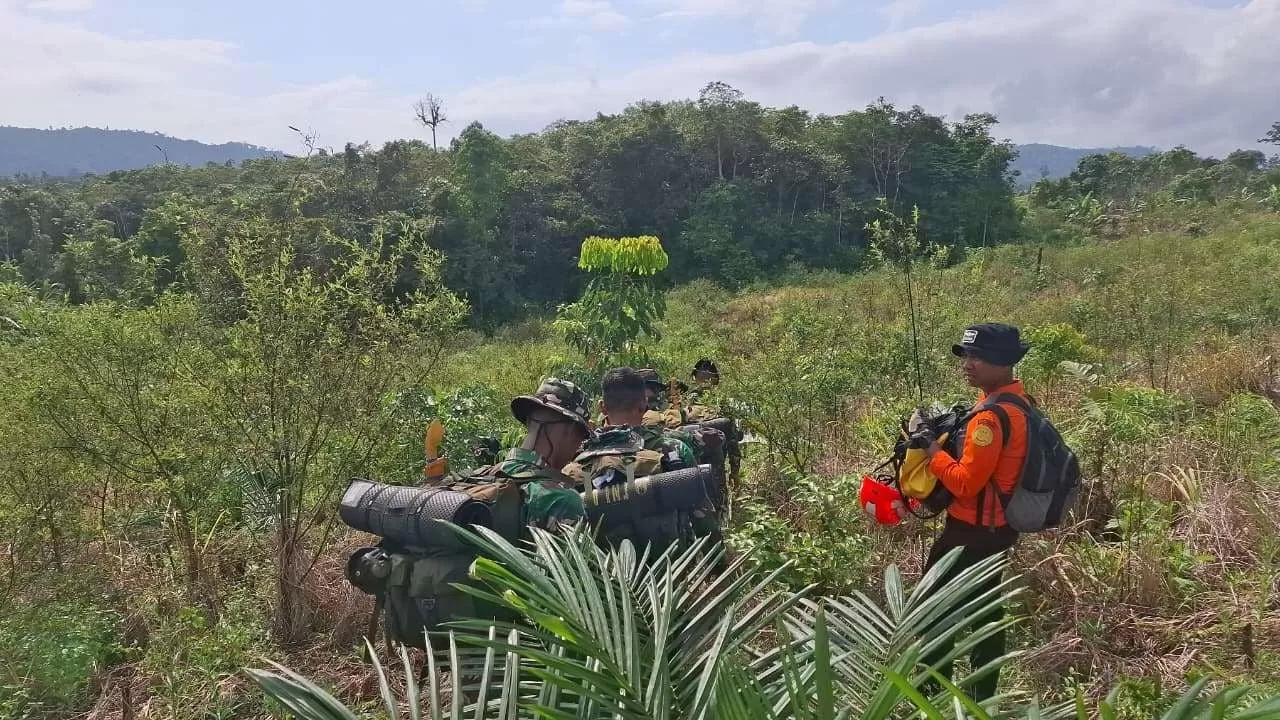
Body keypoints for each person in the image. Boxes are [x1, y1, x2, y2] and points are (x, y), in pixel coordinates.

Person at [909, 323, 1032, 701]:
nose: (968, 363)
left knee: (933, 612)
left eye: (978, 357)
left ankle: (930, 695)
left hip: (972, 533)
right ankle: (982, 697)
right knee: (984, 610)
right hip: (997, 528)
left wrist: (930, 448)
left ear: (1004, 361)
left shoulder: (990, 418)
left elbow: (965, 484)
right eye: (965, 355)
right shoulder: (1017, 401)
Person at [467, 378, 593, 532]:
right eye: (580, 438)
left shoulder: (483, 475)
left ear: (528, 422)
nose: (577, 447)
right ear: (571, 431)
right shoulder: (561, 500)